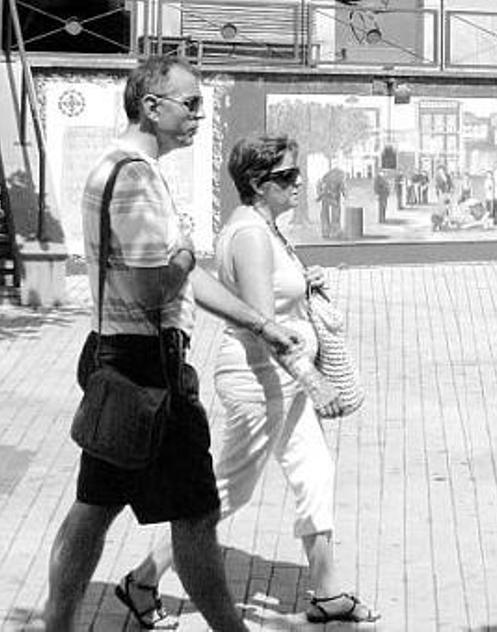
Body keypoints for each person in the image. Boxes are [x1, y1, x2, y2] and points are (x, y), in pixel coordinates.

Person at [43, 55, 301, 632]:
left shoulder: (119, 167)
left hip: (119, 359)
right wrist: (184, 251)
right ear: (151, 106)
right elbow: (155, 283)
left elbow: (179, 278)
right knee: (196, 514)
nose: (198, 116)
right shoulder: (136, 177)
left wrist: (259, 324)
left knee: (96, 505)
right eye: (190, 104)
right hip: (147, 369)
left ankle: (56, 624)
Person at [120, 135, 379, 625]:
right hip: (261, 378)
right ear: (258, 184)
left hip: (283, 380)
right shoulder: (251, 235)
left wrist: (306, 284)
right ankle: (143, 578)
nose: (298, 182)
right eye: (287, 176)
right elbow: (265, 325)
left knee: (314, 473)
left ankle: (328, 594)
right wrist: (315, 382)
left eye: (297, 173)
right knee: (228, 490)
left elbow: (275, 298)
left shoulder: (266, 228)